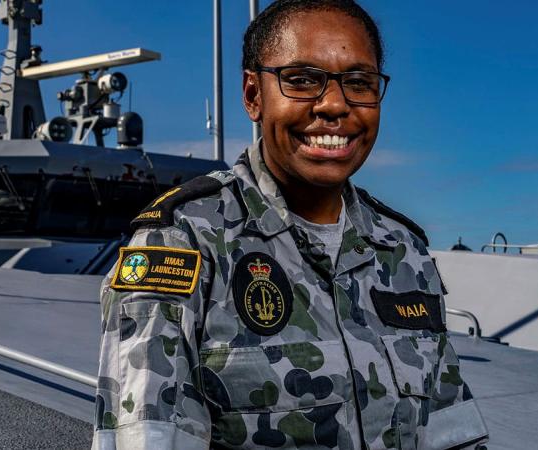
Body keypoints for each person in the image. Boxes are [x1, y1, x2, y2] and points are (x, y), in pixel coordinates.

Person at [91, 1, 489, 448]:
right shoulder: (184, 243)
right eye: (302, 80)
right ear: (252, 96)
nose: (335, 105)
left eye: (359, 82)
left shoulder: (403, 252)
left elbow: (450, 433)